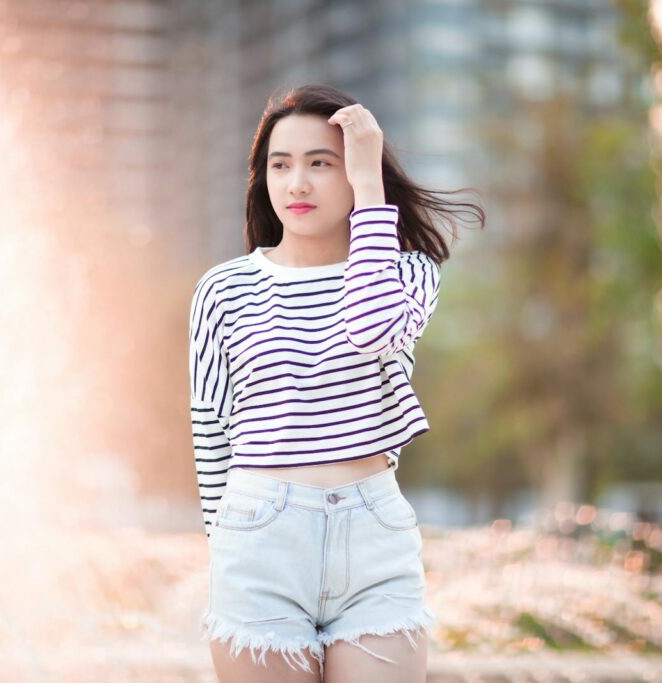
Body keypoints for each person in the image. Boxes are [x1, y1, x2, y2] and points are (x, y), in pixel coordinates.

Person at [188, 83, 484, 683]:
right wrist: (224, 550)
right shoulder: (223, 289)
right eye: (280, 165)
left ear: (354, 169)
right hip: (259, 543)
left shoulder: (408, 273)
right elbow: (211, 432)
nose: (297, 184)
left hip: (374, 541)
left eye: (321, 164)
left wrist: (372, 187)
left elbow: (372, 329)